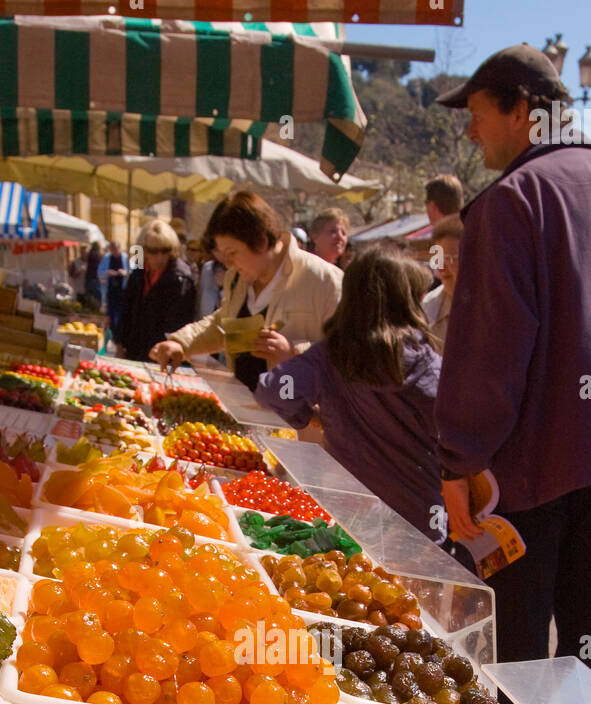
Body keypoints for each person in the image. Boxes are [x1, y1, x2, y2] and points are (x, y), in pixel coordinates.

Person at [434, 44, 591, 697]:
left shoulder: (508, 203)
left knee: (516, 653)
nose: (470, 130)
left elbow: (488, 358)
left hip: (523, 478)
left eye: (478, 113)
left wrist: (457, 465)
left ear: (521, 110)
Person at [255, 246, 444, 540]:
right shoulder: (427, 363)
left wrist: (311, 416)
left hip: (347, 514)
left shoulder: (330, 355)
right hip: (417, 520)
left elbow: (272, 390)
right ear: (407, 304)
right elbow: (455, 428)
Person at [150, 191, 342, 391]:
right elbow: (224, 326)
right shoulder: (236, 279)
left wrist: (294, 352)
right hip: (243, 409)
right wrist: (182, 343)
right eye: (222, 255)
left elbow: (351, 353)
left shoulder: (326, 281)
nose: (227, 263)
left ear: (261, 241)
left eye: (232, 253)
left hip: (301, 418)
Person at [114, 220, 195, 365]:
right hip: (134, 351)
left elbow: (179, 323)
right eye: (153, 251)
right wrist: (120, 342)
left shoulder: (180, 277)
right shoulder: (138, 271)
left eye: (165, 250)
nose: (160, 257)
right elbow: (126, 308)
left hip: (162, 355)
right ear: (143, 249)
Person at [422, 214, 462, 353]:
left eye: (449, 259)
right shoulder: (428, 309)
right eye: (438, 259)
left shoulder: (497, 307)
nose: (441, 270)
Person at [98, 241, 128, 340]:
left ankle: (120, 331)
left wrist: (124, 273)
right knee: (110, 312)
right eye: (112, 249)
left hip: (122, 289)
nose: (114, 251)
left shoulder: (126, 258)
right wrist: (107, 273)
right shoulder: (106, 258)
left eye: (116, 249)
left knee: (121, 311)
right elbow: (99, 272)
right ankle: (113, 333)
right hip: (110, 289)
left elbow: (133, 272)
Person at [83, 241, 103, 307]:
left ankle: (89, 309)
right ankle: (96, 309)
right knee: (97, 297)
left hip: (88, 277)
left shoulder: (89, 254)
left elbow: (85, 261)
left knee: (88, 296)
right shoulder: (100, 255)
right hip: (96, 278)